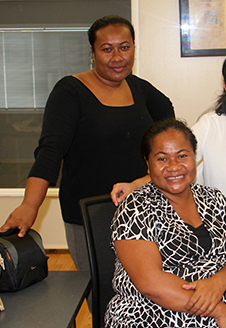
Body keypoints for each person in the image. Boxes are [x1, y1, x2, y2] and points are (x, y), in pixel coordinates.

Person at [110, 48, 226, 327]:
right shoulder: (211, 125)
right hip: (158, 314)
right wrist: (135, 185)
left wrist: (218, 284)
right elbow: (175, 157)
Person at [0, 15, 175, 273]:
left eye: (124, 47)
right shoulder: (70, 91)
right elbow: (50, 152)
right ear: (92, 52)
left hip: (140, 210)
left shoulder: (140, 89)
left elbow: (169, 129)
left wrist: (155, 170)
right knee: (102, 294)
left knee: (145, 290)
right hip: (90, 215)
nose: (117, 57)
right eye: (107, 49)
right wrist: (30, 205)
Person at [106, 118, 226, 328]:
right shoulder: (135, 207)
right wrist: (219, 311)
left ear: (195, 158)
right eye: (162, 159)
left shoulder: (215, 199)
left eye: (182, 156)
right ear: (148, 165)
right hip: (148, 317)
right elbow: (151, 284)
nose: (174, 167)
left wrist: (218, 283)